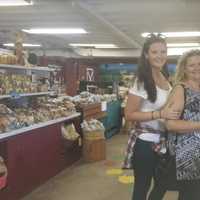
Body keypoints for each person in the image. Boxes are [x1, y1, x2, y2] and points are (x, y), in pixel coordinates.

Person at [123, 33, 180, 200]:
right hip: (145, 143)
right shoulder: (141, 80)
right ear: (146, 55)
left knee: (163, 184)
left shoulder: (164, 77)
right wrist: (160, 114)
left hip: (163, 141)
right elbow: (129, 114)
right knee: (142, 186)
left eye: (163, 51)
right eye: (155, 52)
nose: (159, 56)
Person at [165, 49, 200, 200]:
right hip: (188, 153)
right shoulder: (181, 89)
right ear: (184, 68)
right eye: (191, 65)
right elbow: (171, 124)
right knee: (190, 194)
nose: (197, 67)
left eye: (199, 64)